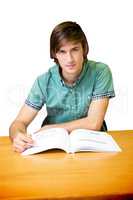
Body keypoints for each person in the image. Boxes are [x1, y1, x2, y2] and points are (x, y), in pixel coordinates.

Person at [9, 21, 115, 153]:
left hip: (92, 147)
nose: (69, 59)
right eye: (62, 51)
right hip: (54, 147)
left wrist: (50, 128)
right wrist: (17, 136)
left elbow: (93, 123)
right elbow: (19, 122)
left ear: (84, 49)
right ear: (55, 54)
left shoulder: (100, 72)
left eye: (75, 49)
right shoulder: (44, 81)